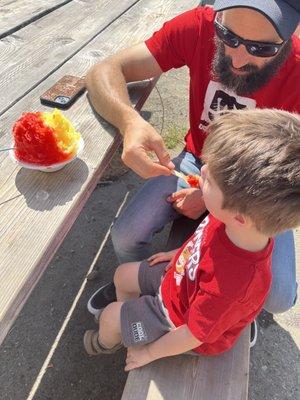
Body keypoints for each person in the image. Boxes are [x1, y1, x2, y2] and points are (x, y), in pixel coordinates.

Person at [86, 1, 300, 319]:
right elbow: (103, 71)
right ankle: (149, 289)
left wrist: (217, 198)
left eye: (262, 48)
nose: (238, 58)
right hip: (194, 161)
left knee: (280, 296)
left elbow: (290, 176)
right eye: (228, 35)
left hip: (259, 189)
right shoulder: (200, 26)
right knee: (127, 234)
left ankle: (237, 308)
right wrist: (129, 122)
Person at [83, 109, 300, 369]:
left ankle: (108, 341)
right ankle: (132, 325)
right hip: (182, 278)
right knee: (122, 275)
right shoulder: (233, 220)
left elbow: (193, 335)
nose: (203, 169)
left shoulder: (233, 286)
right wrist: (178, 254)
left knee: (109, 317)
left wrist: (150, 353)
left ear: (239, 216)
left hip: (180, 322)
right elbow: (205, 239)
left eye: (209, 180)